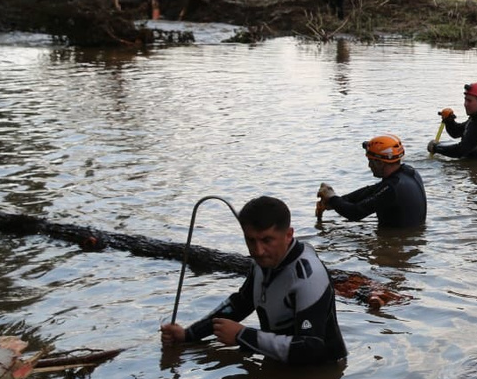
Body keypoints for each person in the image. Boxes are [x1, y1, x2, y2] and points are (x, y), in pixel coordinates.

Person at [160, 196, 347, 365]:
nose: (258, 251)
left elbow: (312, 347)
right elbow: (240, 304)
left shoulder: (307, 275)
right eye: (251, 240)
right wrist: (188, 334)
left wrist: (243, 336)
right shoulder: (263, 262)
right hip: (281, 365)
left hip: (320, 372)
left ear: (288, 235)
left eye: (267, 240)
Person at [318, 134, 427, 228]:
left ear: (380, 163)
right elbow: (370, 191)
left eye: (370, 161)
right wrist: (335, 202)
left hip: (395, 245)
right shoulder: (408, 172)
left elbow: (355, 213)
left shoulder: (391, 188)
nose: (369, 165)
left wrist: (332, 197)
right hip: (411, 239)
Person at [428, 82, 477, 160]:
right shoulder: (476, 118)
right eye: (465, 100)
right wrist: (449, 121)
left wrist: (436, 148)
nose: (465, 104)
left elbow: (459, 151)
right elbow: (456, 132)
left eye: (469, 101)